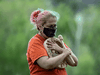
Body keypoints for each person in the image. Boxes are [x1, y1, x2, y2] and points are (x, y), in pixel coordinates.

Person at [26, 8, 78, 75]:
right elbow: (46, 64)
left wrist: (60, 49)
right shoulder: (35, 42)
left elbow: (75, 62)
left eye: (54, 26)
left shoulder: (56, 41)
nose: (53, 29)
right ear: (40, 27)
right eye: (50, 26)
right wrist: (64, 54)